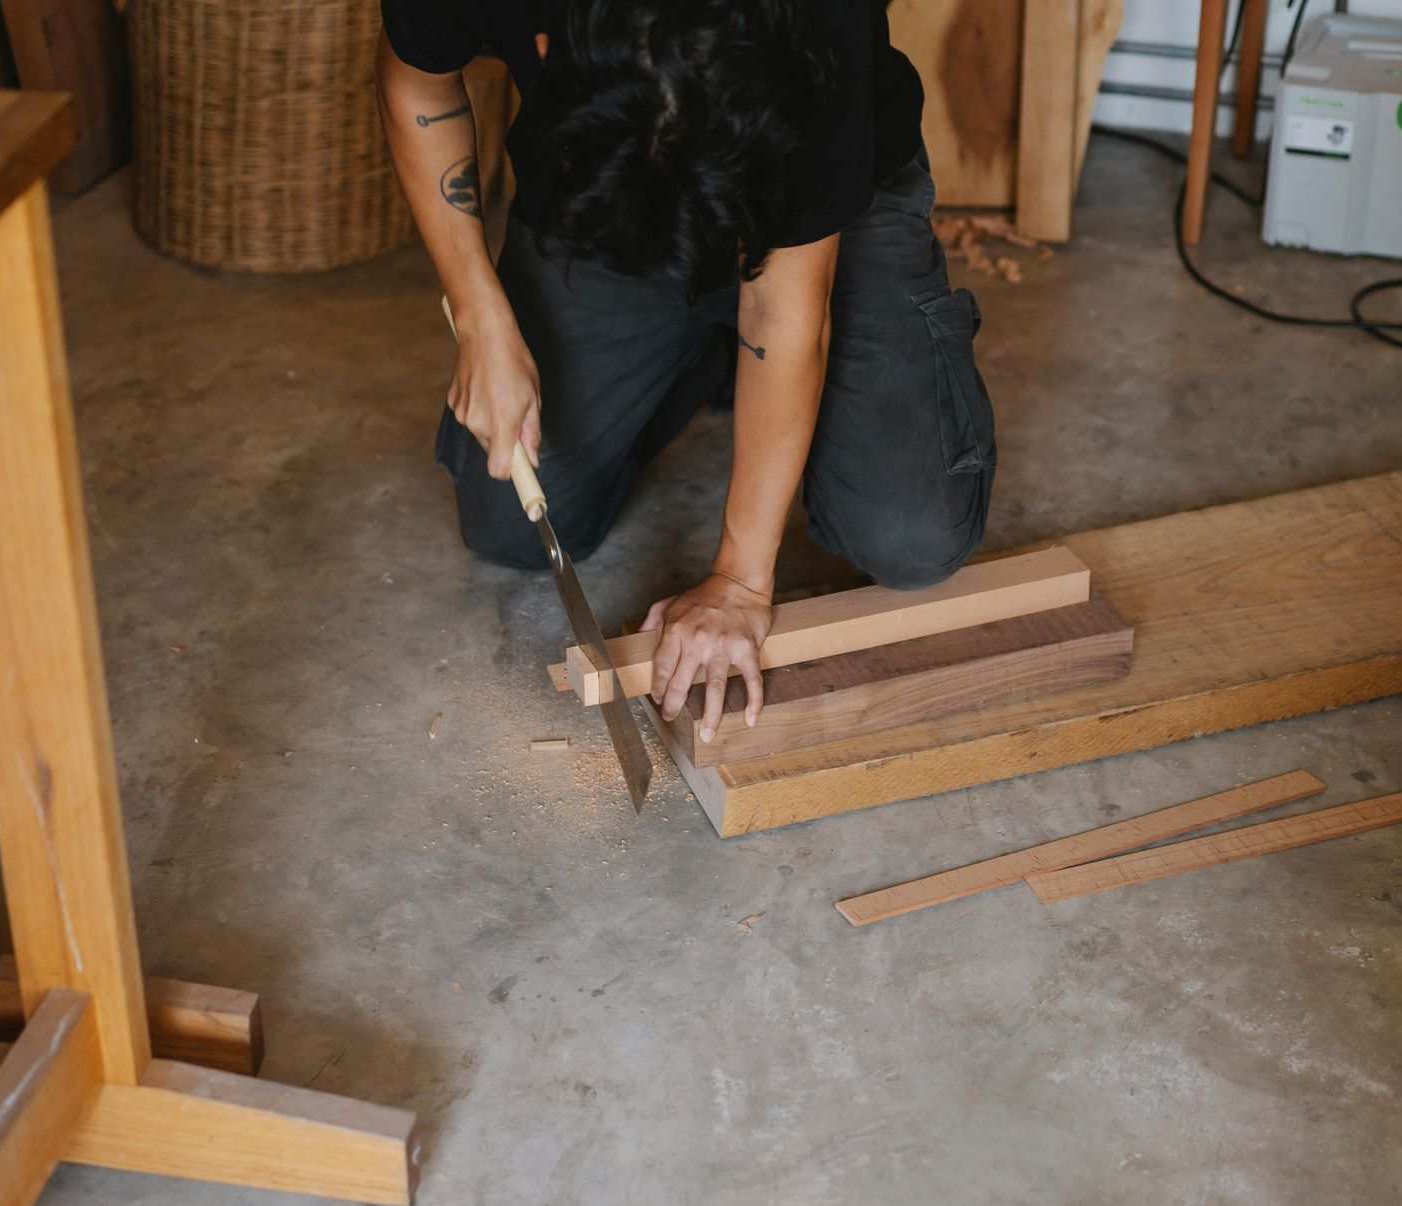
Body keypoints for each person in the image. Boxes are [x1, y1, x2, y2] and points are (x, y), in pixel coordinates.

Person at [377, 0, 996, 742]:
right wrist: (479, 312)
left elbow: (783, 312)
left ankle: (732, 362)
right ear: (547, 43)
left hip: (809, 198)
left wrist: (740, 581)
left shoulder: (810, 29)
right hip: (600, 184)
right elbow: (416, 84)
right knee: (512, 518)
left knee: (911, 538)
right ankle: (704, 358)